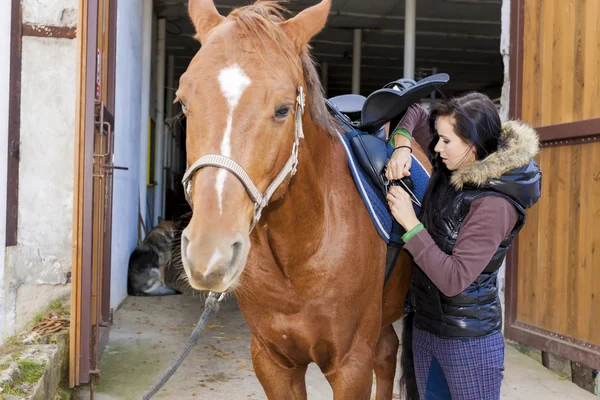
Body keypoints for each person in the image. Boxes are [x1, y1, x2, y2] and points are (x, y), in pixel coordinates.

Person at [386, 92, 541, 400]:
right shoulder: (451, 165)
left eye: (446, 141)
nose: (436, 147)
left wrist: (410, 224)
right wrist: (402, 145)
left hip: (467, 343)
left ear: (473, 145)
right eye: (438, 138)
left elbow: (454, 279)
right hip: (427, 331)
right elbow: (414, 110)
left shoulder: (494, 205)